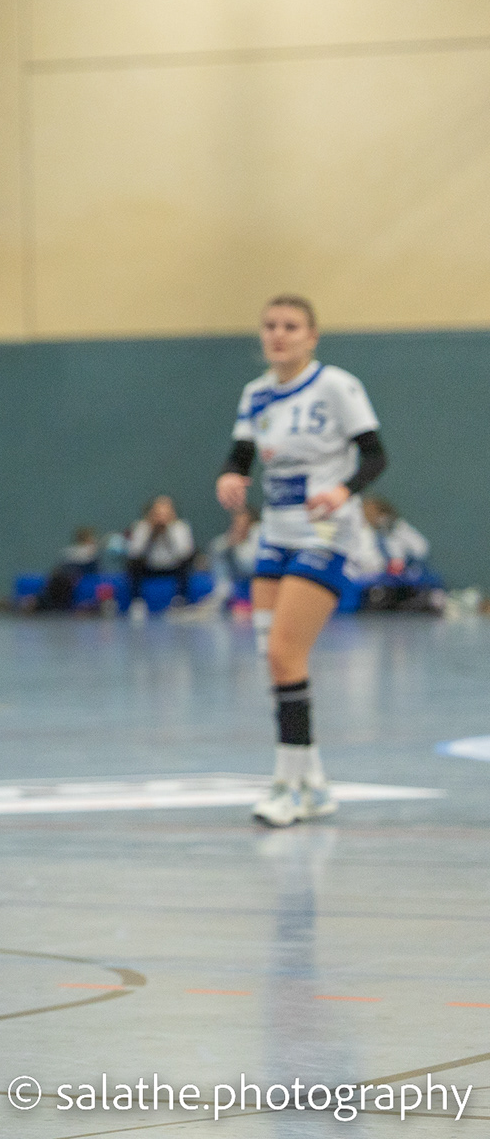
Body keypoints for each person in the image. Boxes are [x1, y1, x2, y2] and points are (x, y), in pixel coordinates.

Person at [216, 294, 386, 828]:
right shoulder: (256, 394)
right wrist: (230, 476)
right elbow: (242, 453)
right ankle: (314, 784)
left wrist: (343, 490)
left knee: (284, 653)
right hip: (277, 532)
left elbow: (376, 454)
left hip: (326, 532)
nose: (278, 334)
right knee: (275, 659)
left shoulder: (336, 386)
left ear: (312, 336)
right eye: (270, 325)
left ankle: (287, 787)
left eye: (291, 326)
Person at [124, 495, 196, 608]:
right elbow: (134, 553)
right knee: (132, 565)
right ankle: (137, 601)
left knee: (186, 564)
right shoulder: (142, 527)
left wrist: (168, 533)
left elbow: (185, 553)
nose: (161, 517)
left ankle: (180, 599)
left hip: (173, 566)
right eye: (158, 513)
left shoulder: (180, 527)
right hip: (150, 566)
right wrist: (151, 534)